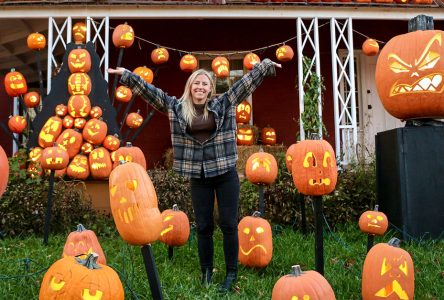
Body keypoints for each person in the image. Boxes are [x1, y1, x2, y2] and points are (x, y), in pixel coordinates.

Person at [108, 58, 281, 293]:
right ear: (190, 87)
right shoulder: (177, 108)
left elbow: (246, 83)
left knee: (229, 224)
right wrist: (128, 75)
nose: (200, 87)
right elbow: (152, 94)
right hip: (199, 177)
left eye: (204, 84)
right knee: (203, 226)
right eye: (196, 83)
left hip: (224, 173)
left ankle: (231, 273)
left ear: (210, 88)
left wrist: (265, 66)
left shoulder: (224, 103)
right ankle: (207, 272)